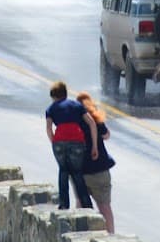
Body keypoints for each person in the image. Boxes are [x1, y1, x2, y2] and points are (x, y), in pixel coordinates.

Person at [44, 79, 96, 210]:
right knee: (77, 173)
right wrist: (94, 145)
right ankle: (87, 206)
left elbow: (49, 129)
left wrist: (54, 142)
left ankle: (63, 205)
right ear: (65, 93)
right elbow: (91, 123)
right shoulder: (76, 105)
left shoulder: (51, 108)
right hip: (77, 141)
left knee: (63, 171)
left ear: (54, 96)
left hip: (59, 142)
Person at [77, 90, 117, 232]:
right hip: (99, 170)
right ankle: (110, 236)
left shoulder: (74, 121)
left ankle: (80, 235)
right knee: (104, 207)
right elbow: (106, 135)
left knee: (81, 206)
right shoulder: (95, 120)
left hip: (80, 171)